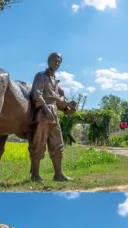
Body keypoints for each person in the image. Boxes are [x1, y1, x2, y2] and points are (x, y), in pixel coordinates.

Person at [30, 52, 76, 182]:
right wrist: (45, 108)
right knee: (39, 144)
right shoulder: (41, 76)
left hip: (54, 116)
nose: (57, 64)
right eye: (55, 61)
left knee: (58, 145)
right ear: (49, 61)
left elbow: (62, 104)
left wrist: (69, 108)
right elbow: (36, 94)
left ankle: (58, 174)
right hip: (44, 115)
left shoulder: (56, 82)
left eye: (59, 62)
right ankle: (35, 175)